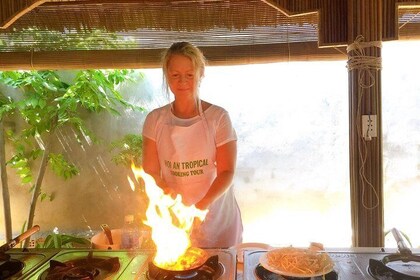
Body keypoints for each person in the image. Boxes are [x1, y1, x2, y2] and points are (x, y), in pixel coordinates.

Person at [142, 41, 243, 248]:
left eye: (189, 74)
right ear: (166, 76)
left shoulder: (218, 118)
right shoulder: (155, 120)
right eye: (175, 75)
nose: (182, 81)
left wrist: (200, 208)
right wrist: (167, 196)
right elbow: (150, 170)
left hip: (217, 218)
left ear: (201, 73)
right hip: (177, 219)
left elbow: (227, 172)